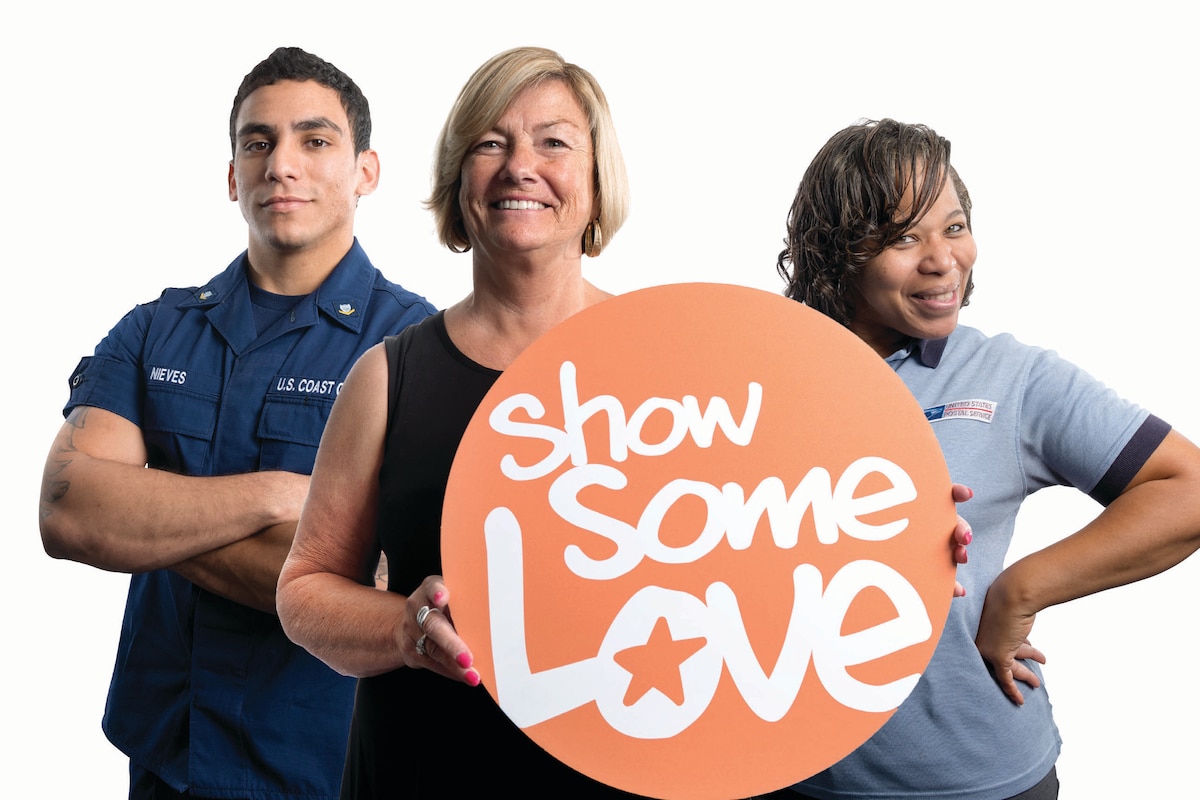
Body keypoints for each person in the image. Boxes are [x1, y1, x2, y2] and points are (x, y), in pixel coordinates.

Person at [277, 50, 973, 798]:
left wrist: (899, 540)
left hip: (638, 777)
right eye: (490, 142)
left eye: (554, 142)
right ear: (456, 179)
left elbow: (769, 544)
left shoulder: (680, 361)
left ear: (597, 181)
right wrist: (401, 632)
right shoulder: (389, 377)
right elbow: (305, 588)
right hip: (424, 772)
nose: (520, 167)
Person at [38, 47, 434, 800]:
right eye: (258, 142)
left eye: (315, 141)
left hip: (332, 769)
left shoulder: (417, 352)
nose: (281, 164)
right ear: (231, 175)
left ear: (366, 172)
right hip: (170, 762)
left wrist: (149, 510)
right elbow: (69, 512)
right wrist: (286, 497)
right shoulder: (154, 331)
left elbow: (381, 583)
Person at [773, 118, 1200, 800]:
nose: (943, 259)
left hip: (976, 778)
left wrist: (1019, 594)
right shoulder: (754, 378)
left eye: (954, 226)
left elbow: (1189, 489)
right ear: (839, 251)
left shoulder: (1011, 377)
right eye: (904, 237)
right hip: (790, 777)